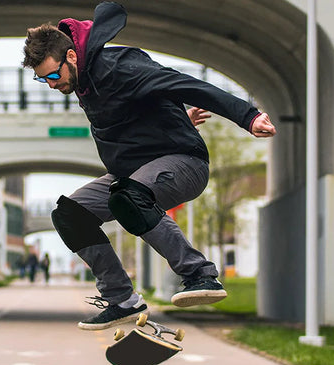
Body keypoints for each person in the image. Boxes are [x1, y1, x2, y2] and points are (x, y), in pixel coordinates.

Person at [22, 2, 276, 330]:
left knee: (127, 198)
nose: (54, 85)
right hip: (135, 170)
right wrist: (174, 121)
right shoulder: (84, 81)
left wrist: (248, 116)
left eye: (54, 75)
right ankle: (122, 300)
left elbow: (183, 85)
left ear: (72, 56)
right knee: (69, 215)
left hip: (185, 163)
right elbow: (135, 115)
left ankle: (200, 275)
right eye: (45, 81)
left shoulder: (118, 67)